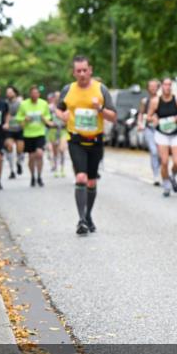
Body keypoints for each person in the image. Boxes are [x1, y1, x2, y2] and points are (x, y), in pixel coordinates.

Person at [56, 56, 117, 234]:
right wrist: (62, 116)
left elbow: (113, 117)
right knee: (81, 178)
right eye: (78, 71)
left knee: (91, 181)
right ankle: (81, 220)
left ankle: (88, 215)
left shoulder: (101, 89)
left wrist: (100, 109)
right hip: (76, 140)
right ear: (74, 72)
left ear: (90, 70)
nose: (82, 74)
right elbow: (59, 108)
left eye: (85, 70)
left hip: (96, 140)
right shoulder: (68, 89)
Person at [148, 78, 177, 197]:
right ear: (161, 87)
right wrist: (154, 118)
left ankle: (172, 177)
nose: (167, 87)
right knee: (164, 162)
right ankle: (166, 184)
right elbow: (149, 116)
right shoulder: (155, 101)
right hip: (162, 134)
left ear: (172, 87)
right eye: (165, 84)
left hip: (176, 133)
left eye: (169, 85)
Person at [16, 85, 54, 187]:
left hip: (40, 133)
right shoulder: (24, 104)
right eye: (32, 93)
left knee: (40, 154)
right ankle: (32, 176)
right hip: (28, 134)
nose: (34, 95)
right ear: (30, 94)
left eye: (36, 93)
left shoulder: (43, 103)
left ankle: (39, 176)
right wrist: (25, 120)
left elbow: (48, 119)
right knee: (31, 157)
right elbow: (19, 121)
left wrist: (43, 118)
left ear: (39, 94)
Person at [137, 78, 162, 186]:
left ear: (158, 88)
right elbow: (141, 113)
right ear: (147, 88)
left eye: (155, 86)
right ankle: (156, 175)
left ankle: (162, 171)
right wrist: (140, 123)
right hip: (149, 129)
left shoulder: (162, 100)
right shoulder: (145, 101)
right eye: (151, 86)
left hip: (161, 130)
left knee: (161, 153)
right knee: (154, 151)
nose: (153, 88)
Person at [4, 86, 24, 179]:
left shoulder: (20, 103)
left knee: (19, 149)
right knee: (9, 147)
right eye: (7, 92)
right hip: (9, 130)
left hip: (19, 129)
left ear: (15, 93)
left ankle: (19, 163)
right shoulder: (5, 104)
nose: (8, 94)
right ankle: (12, 171)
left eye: (10, 92)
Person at [46, 91, 67, 177]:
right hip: (53, 130)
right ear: (54, 98)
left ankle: (62, 168)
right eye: (57, 97)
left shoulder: (64, 106)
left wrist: (66, 122)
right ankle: (56, 168)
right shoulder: (50, 107)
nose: (58, 98)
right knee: (55, 152)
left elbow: (68, 117)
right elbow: (45, 117)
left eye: (60, 97)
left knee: (62, 149)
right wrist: (49, 123)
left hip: (62, 130)